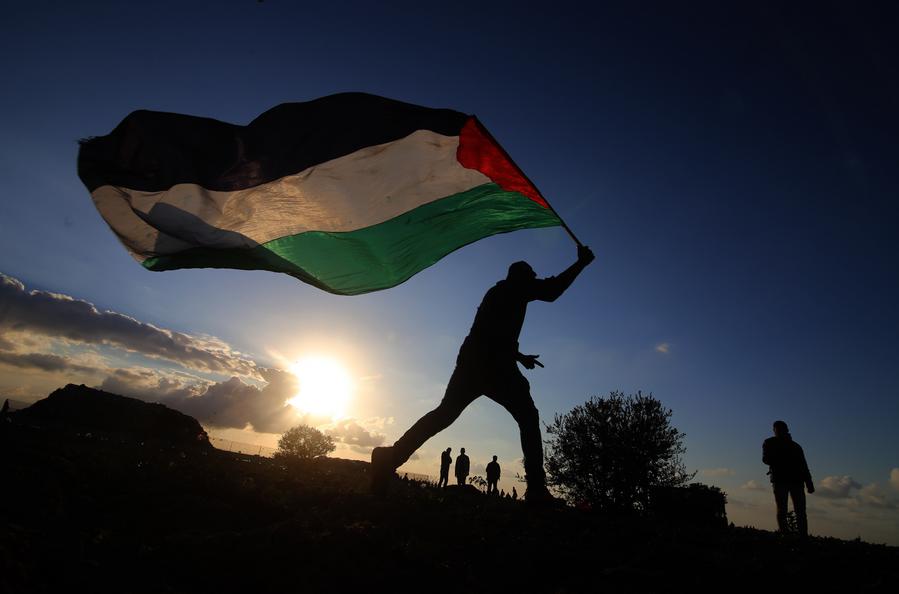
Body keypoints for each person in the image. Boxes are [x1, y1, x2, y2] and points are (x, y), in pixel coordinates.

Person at [371, 245, 595, 501]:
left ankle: (388, 458)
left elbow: (493, 334)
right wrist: (581, 263)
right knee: (528, 417)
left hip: (476, 364)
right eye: (532, 276)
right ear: (520, 277)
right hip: (492, 366)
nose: (535, 280)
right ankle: (535, 489)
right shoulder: (513, 289)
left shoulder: (501, 292)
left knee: (444, 415)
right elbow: (552, 290)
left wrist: (519, 357)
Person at [763, 420, 815, 537]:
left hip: (794, 481)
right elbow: (766, 459)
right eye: (777, 429)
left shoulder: (795, 446)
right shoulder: (770, 443)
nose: (778, 432)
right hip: (781, 480)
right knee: (783, 510)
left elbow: (803, 465)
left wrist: (809, 482)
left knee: (799, 511)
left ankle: (801, 536)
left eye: (779, 429)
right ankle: (786, 535)